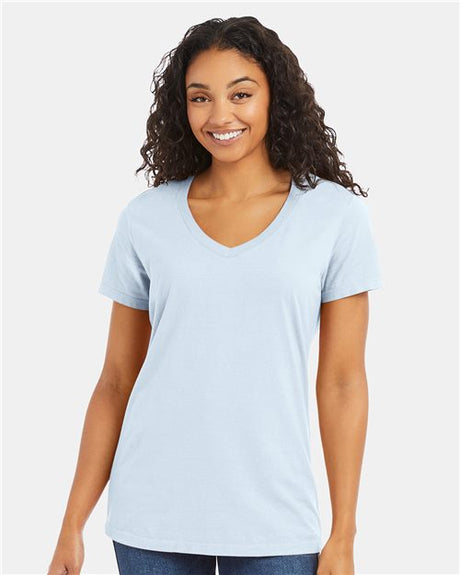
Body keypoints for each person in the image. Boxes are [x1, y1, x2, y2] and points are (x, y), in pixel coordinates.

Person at [47, 15, 383, 575]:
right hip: (151, 517)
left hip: (276, 521)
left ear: (276, 98)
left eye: (241, 94)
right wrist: (70, 525)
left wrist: (343, 533)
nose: (220, 115)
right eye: (200, 97)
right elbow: (115, 381)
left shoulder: (333, 216)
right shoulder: (147, 219)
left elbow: (344, 382)